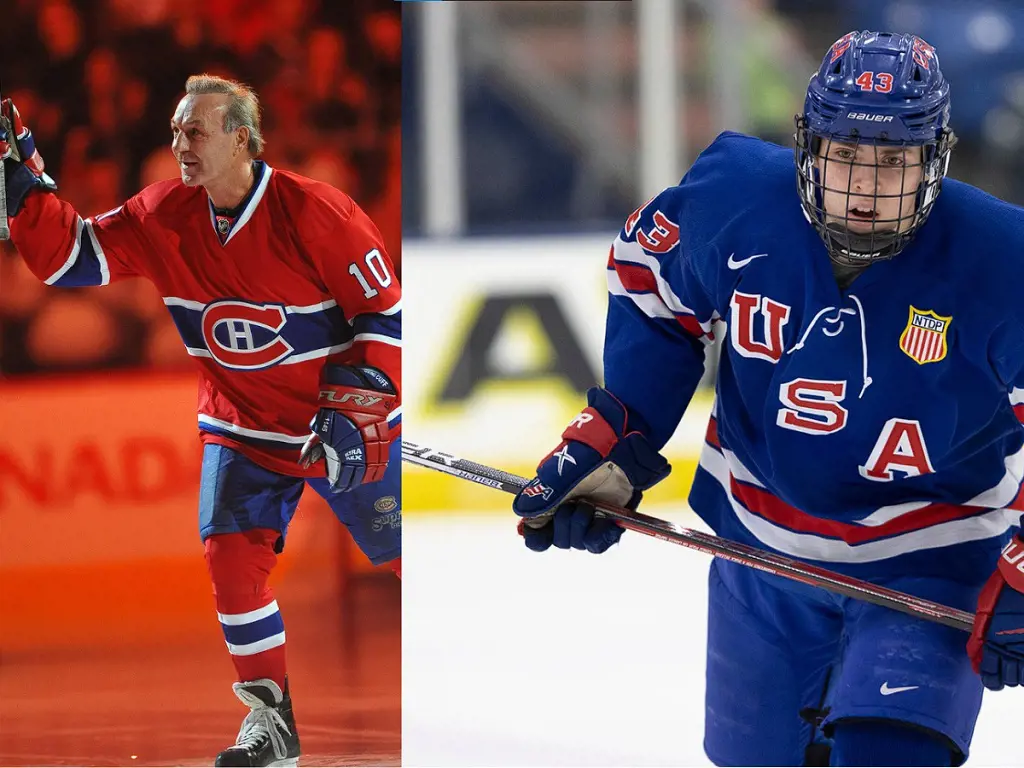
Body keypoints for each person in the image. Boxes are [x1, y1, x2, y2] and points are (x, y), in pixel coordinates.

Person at [513, 31, 1024, 767]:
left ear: (935, 158)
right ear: (808, 145)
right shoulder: (734, 198)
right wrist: (622, 433)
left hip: (931, 556)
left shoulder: (1002, 259)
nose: (864, 188)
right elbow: (652, 284)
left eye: (891, 160)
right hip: (760, 556)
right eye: (845, 154)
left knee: (890, 753)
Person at [1, 74, 401, 768]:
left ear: (241, 140)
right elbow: (75, 260)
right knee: (230, 564)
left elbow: (384, 314)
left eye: (195, 131)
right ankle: (271, 726)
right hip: (242, 428)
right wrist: (28, 199)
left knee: (407, 558)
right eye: (175, 131)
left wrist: (360, 400)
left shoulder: (318, 214)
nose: (178, 144)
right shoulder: (162, 214)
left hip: (335, 428)